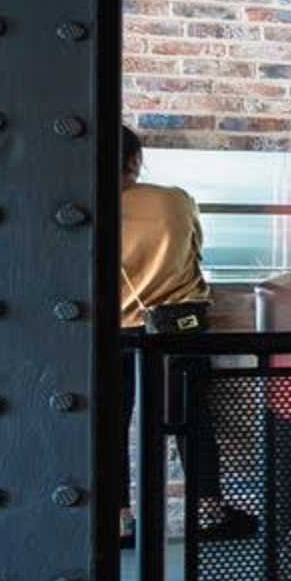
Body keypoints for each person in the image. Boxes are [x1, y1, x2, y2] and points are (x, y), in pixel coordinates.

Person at [120, 127, 250, 538]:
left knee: (110, 424)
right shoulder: (174, 199)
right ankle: (208, 512)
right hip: (177, 326)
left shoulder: (85, 206)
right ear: (135, 160)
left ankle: (119, 520)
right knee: (191, 418)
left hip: (113, 331)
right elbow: (195, 250)